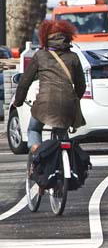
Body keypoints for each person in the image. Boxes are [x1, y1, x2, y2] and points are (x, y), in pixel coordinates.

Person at [13, 20, 86, 157]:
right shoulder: (73, 57)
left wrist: (18, 101)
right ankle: (67, 163)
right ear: (68, 36)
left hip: (44, 104)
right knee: (62, 134)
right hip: (68, 104)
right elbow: (81, 86)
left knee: (33, 130)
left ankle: (37, 157)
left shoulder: (40, 56)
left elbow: (24, 82)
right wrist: (74, 99)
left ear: (45, 36)